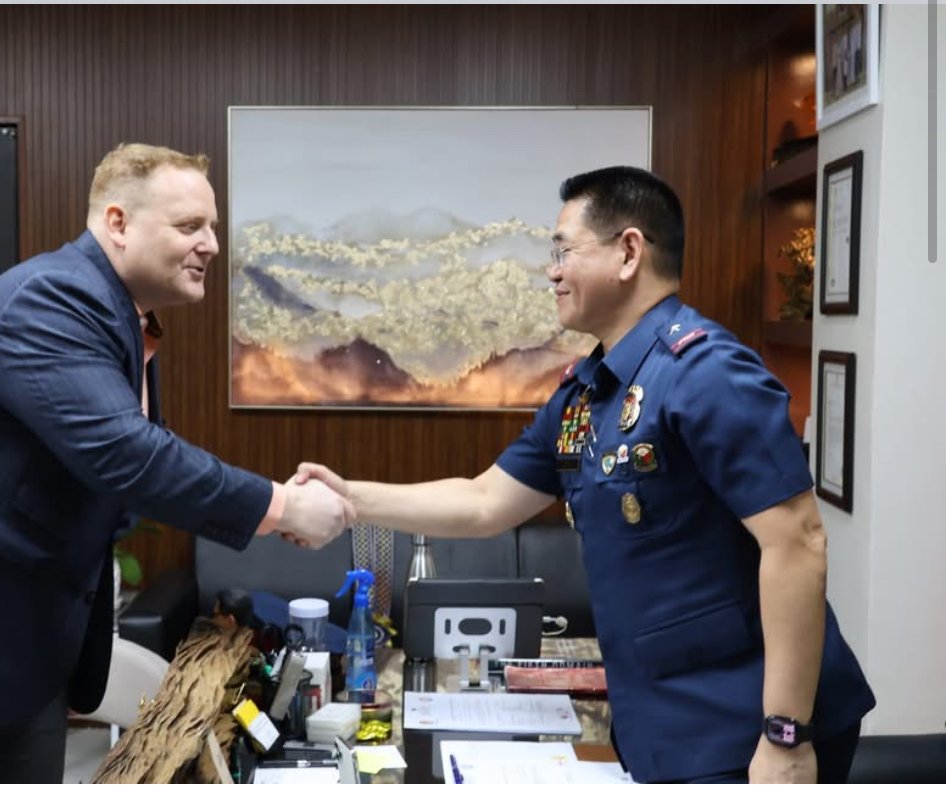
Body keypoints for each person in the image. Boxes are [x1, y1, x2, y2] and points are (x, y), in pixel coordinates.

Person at [0, 142, 353, 783]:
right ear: (117, 222)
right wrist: (282, 505)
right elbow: (126, 456)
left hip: (15, 666)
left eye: (212, 226)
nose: (213, 244)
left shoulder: (125, 323)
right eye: (190, 226)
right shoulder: (50, 298)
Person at [297, 166, 875, 784]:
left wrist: (785, 735)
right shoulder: (587, 394)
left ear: (628, 252)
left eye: (563, 250)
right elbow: (484, 501)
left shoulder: (706, 372)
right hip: (662, 724)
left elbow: (798, 542)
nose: (551, 270)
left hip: (742, 726)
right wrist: (350, 497)